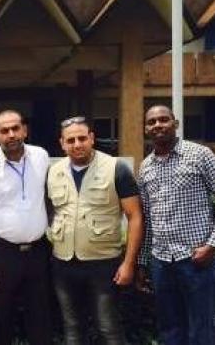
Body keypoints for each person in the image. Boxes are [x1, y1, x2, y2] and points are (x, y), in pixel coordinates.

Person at [136, 105, 215, 345]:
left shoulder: (200, 155)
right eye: (151, 122)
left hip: (195, 260)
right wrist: (142, 262)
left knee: (201, 331)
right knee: (169, 330)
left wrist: (212, 245)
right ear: (145, 129)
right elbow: (147, 218)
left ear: (176, 124)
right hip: (161, 262)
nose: (158, 125)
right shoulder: (145, 166)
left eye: (163, 119)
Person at [47, 116, 143, 345]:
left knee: (108, 327)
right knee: (72, 328)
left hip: (103, 264)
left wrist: (129, 263)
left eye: (82, 138)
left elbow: (135, 217)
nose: (77, 144)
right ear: (62, 143)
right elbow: (50, 211)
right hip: (63, 264)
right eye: (70, 140)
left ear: (91, 138)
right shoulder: (53, 172)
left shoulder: (116, 169)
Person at [0, 109, 52, 345]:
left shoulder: (41, 157)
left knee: (41, 320)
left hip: (37, 252)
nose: (11, 134)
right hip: (3, 254)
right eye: (4, 131)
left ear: (25, 130)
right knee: (0, 321)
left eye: (15, 128)